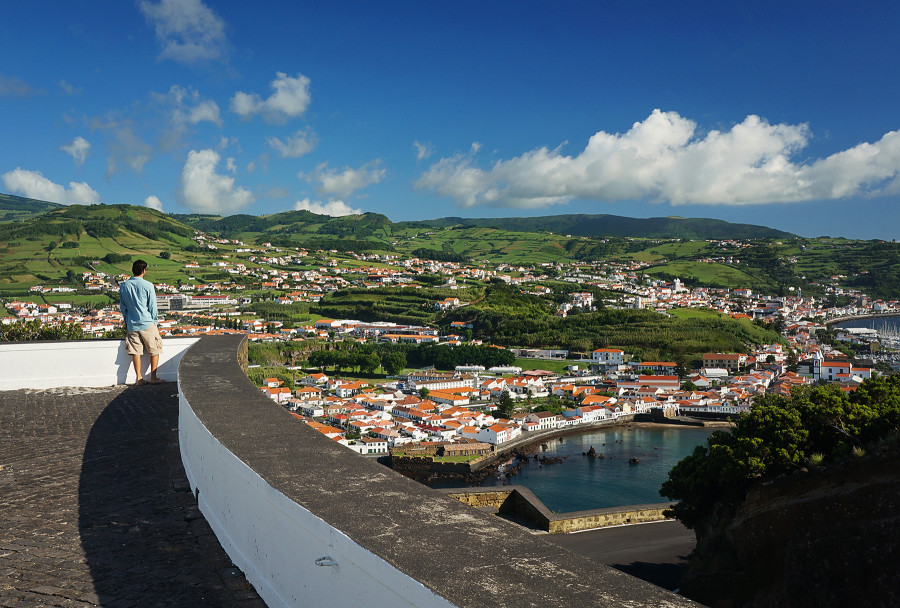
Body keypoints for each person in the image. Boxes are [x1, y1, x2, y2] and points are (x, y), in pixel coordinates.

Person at [119, 259, 165, 385]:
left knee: (136, 351)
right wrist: (154, 321)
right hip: (146, 322)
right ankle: (153, 377)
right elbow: (152, 307)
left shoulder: (124, 286)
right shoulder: (148, 285)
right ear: (144, 271)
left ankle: (139, 378)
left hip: (132, 323)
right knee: (154, 350)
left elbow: (123, 307)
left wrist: (127, 320)